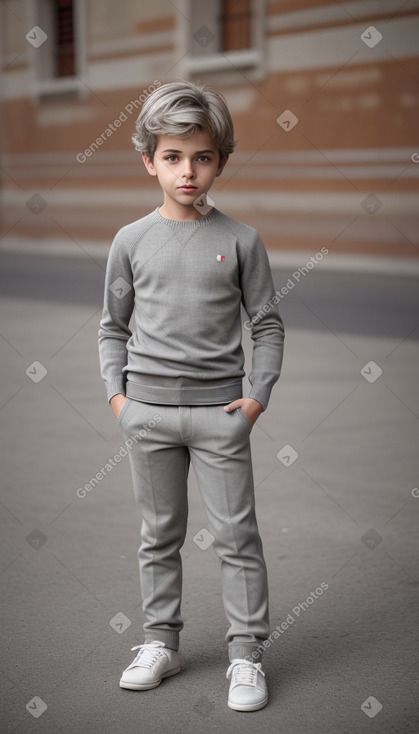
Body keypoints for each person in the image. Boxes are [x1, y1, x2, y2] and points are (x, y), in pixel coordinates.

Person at [98, 79, 285, 712]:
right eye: (173, 157)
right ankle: (160, 642)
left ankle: (245, 655)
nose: (188, 171)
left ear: (221, 161)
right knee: (159, 534)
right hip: (147, 415)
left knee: (237, 538)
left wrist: (255, 399)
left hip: (220, 416)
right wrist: (119, 400)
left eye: (202, 157)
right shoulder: (130, 241)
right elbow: (112, 327)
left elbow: (266, 323)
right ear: (149, 159)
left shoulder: (241, 240)